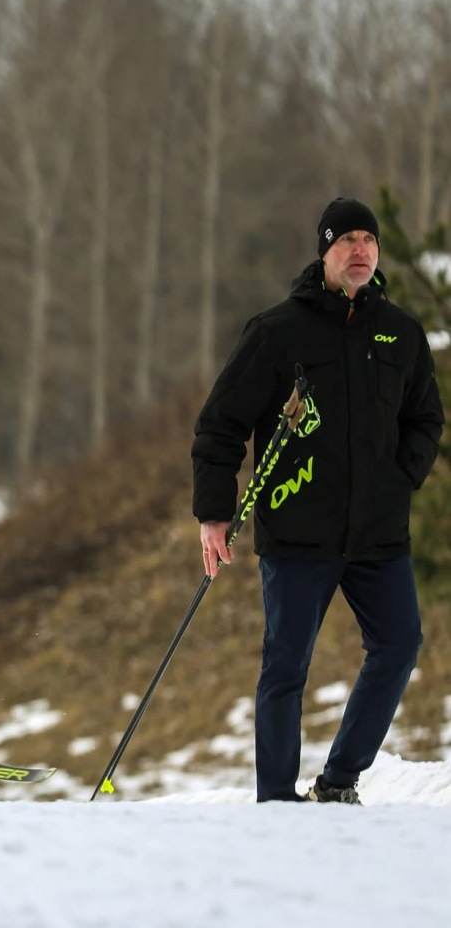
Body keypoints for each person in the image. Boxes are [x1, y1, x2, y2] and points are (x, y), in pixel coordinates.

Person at [192, 196, 443, 804]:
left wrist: (398, 479)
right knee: (286, 668)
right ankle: (277, 800)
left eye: (369, 240)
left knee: (400, 644)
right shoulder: (279, 332)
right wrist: (214, 513)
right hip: (299, 533)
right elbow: (221, 424)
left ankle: (338, 781)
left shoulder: (401, 333)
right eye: (347, 239)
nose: (361, 249)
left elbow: (426, 419)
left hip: (378, 535)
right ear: (324, 251)